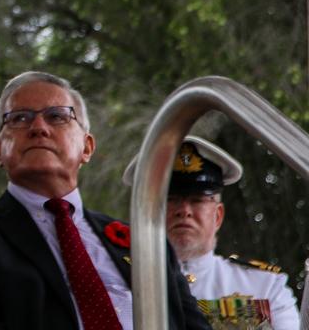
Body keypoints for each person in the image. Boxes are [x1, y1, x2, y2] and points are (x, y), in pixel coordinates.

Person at [0, 70, 210, 330]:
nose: (38, 127)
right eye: (19, 118)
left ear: (87, 147)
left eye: (57, 116)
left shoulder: (144, 243)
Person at [123, 136, 299, 329]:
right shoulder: (120, 282)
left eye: (197, 200)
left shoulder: (265, 288)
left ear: (218, 216)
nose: (185, 210)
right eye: (172, 199)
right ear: (150, 212)